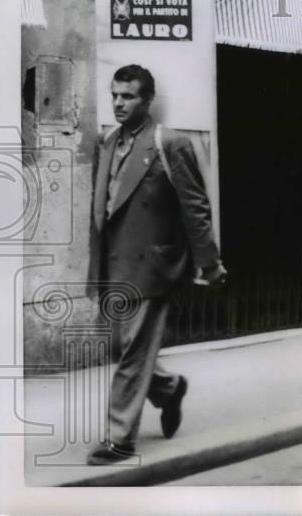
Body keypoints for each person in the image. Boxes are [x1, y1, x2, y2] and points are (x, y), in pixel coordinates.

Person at [86, 64, 227, 465]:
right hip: (114, 267)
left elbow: (195, 207)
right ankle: (168, 388)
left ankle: (119, 439)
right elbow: (106, 208)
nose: (118, 102)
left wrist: (209, 263)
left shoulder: (170, 143)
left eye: (127, 96)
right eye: (114, 95)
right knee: (121, 346)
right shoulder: (108, 141)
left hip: (152, 266)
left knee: (132, 353)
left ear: (147, 101)